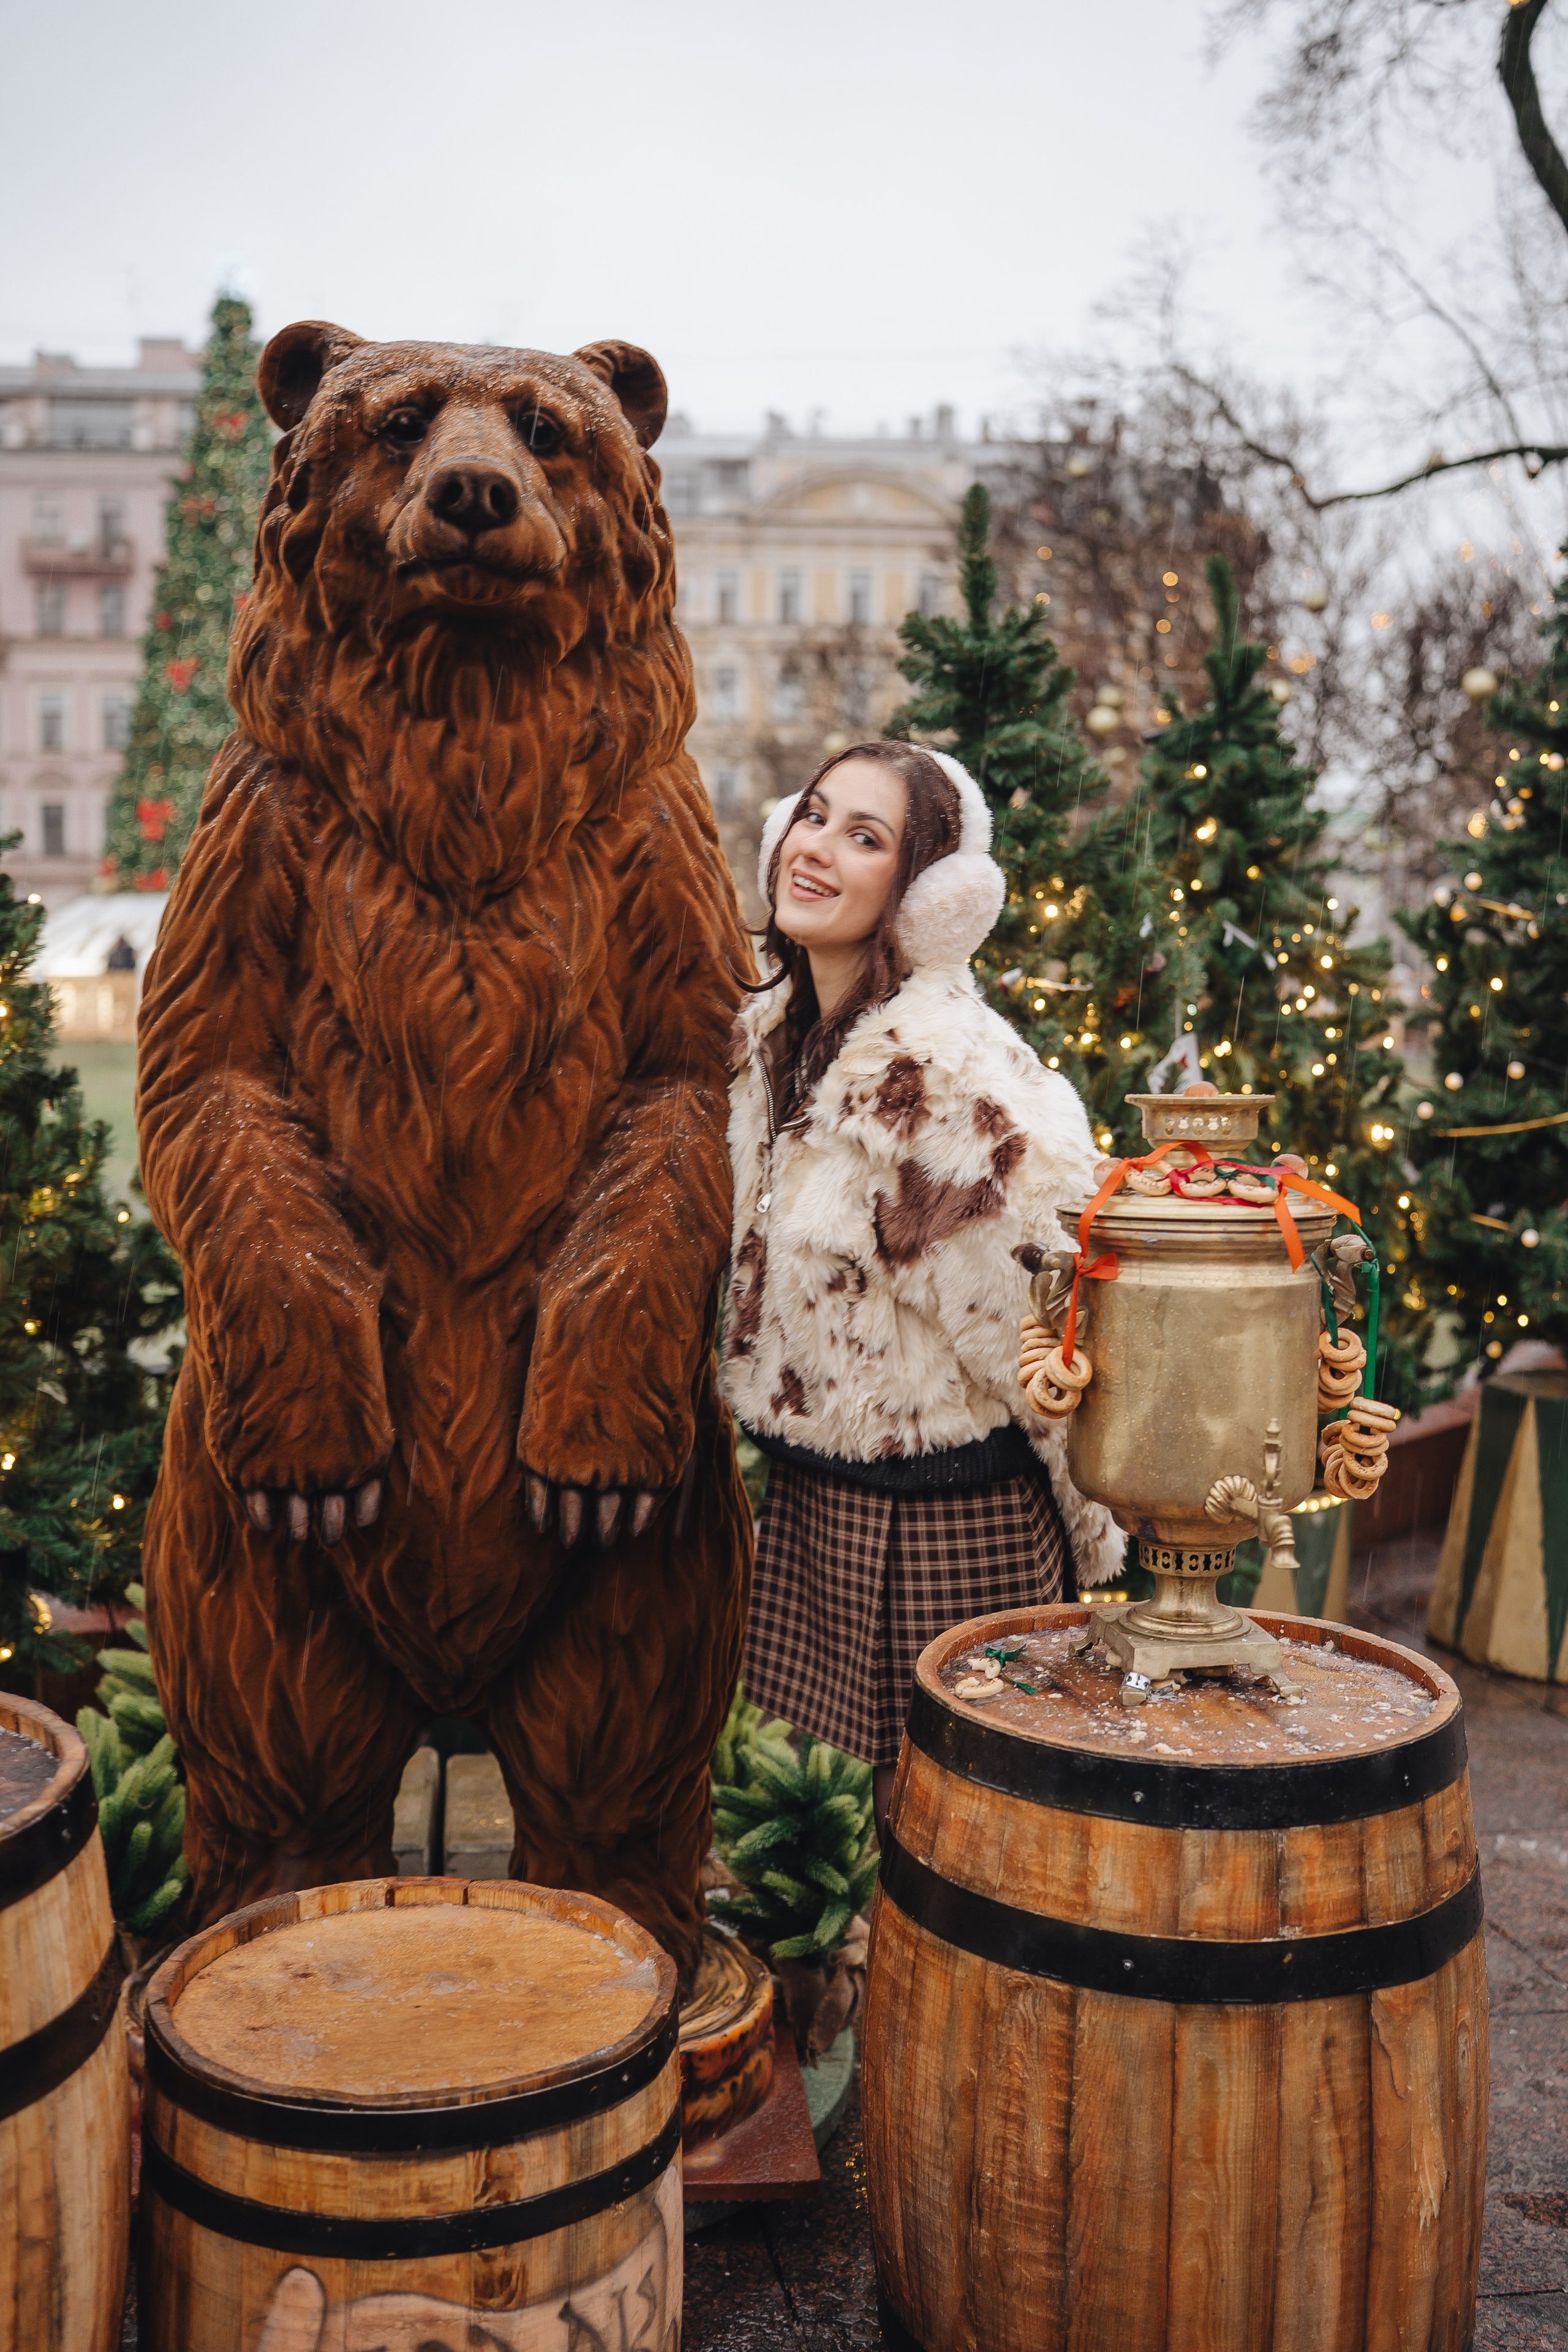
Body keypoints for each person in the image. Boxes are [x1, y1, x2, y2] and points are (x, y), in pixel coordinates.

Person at [720, 740, 1123, 1837]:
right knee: (839, 1834)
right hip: (820, 1506)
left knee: (956, 1839)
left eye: (867, 838)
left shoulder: (947, 1077)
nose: (816, 850)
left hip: (952, 1522)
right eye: (813, 817)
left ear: (931, 896)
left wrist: (1094, 1539)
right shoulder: (775, 1040)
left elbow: (1051, 1339)